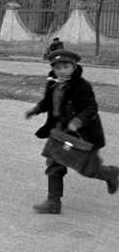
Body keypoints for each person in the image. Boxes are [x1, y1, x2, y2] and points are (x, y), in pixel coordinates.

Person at [25, 50, 119, 214]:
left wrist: (78, 121)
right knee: (54, 165)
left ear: (74, 67)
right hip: (60, 132)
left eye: (66, 67)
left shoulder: (82, 86)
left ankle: (110, 174)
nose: (61, 71)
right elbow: (48, 101)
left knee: (88, 169)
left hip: (83, 135)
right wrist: (36, 109)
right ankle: (53, 202)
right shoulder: (53, 83)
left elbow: (91, 108)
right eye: (57, 68)